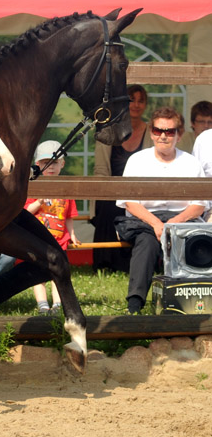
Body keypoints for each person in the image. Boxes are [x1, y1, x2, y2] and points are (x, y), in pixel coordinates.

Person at [114, 106, 207, 315]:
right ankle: (135, 305)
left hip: (182, 220)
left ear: (179, 135)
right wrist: (157, 224)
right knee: (146, 243)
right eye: (158, 130)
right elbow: (130, 203)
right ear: (151, 133)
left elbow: (200, 204)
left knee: (192, 242)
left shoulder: (191, 163)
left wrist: (174, 224)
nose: (163, 136)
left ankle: (190, 304)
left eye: (169, 131)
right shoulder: (137, 160)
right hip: (145, 219)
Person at [91, 84, 152, 273]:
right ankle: (105, 264)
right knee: (109, 206)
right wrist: (107, 192)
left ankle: (132, 263)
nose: (136, 105)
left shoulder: (153, 131)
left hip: (142, 191)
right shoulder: (110, 129)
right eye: (132, 100)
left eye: (141, 100)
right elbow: (101, 169)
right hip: (111, 189)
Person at [24, 140, 80, 314]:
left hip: (59, 240)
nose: (50, 167)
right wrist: (38, 202)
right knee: (37, 274)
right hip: (37, 239)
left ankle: (57, 304)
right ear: (37, 165)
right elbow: (25, 212)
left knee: (59, 273)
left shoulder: (65, 188)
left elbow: (69, 216)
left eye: (54, 162)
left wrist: (72, 234)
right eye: (44, 163)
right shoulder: (33, 186)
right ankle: (42, 305)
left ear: (62, 164)